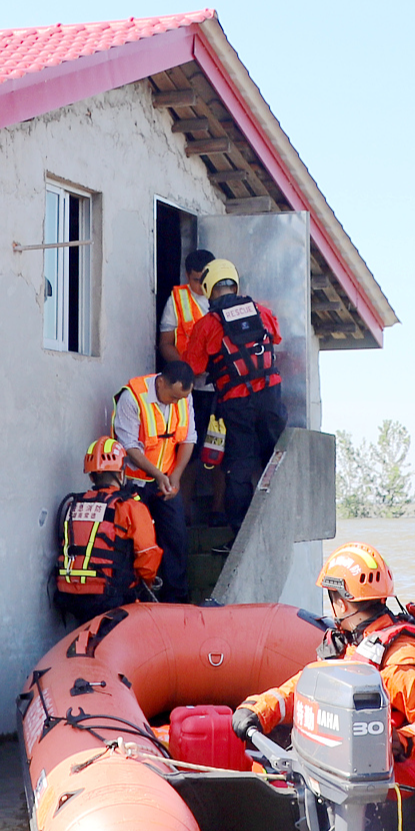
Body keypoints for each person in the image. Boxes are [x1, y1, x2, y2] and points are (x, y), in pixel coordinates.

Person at [229, 542, 415, 790]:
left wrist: (402, 741)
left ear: (342, 603)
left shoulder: (402, 659)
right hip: (354, 770)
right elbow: (307, 688)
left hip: (407, 784)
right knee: (266, 767)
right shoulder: (353, 644)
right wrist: (260, 710)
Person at [179, 259, 284, 528]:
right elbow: (276, 339)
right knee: (276, 456)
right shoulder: (262, 311)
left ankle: (239, 529)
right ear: (235, 284)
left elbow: (193, 368)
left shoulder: (207, 324)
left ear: (208, 289)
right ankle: (281, 516)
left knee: (239, 466)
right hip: (271, 396)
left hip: (236, 403)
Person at [52, 438, 163, 625]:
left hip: (67, 595)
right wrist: (147, 585)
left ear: (92, 477)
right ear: (121, 473)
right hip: (110, 597)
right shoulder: (129, 507)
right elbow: (148, 557)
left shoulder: (74, 504)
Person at [112, 360, 197, 601]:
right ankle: (138, 598)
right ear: (160, 382)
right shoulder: (133, 398)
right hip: (135, 483)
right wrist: (158, 475)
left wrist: (175, 476)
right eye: (173, 397)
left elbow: (188, 439)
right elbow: (129, 447)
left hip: (168, 482)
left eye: (182, 398)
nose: (177, 402)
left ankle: (176, 600)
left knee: (176, 538)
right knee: (138, 543)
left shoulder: (184, 396)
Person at [159, 248, 220, 513]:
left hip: (222, 388)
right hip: (191, 390)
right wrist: (186, 370)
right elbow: (165, 344)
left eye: (206, 278)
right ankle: (185, 514)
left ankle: (219, 512)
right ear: (188, 276)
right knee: (189, 450)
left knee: (221, 450)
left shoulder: (225, 295)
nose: (202, 284)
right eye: (197, 279)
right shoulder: (177, 299)